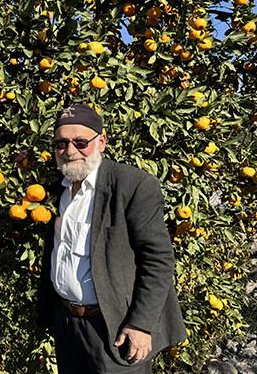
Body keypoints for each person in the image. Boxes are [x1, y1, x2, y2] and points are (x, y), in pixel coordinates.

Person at [37, 104, 186, 373]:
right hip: (67, 323)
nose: (70, 151)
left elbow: (158, 259)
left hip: (114, 326)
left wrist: (141, 324)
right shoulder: (57, 186)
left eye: (81, 142)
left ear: (101, 142)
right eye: (61, 144)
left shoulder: (133, 185)